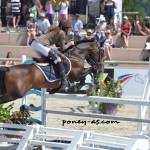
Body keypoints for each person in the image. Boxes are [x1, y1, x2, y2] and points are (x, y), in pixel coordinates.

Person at [30, 24, 73, 90]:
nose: (70, 31)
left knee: (49, 60)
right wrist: (70, 44)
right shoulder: (62, 33)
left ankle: (49, 79)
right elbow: (63, 49)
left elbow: (58, 45)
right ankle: (64, 81)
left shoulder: (57, 31)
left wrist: (67, 42)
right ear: (66, 29)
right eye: (70, 29)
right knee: (57, 59)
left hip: (34, 44)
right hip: (40, 44)